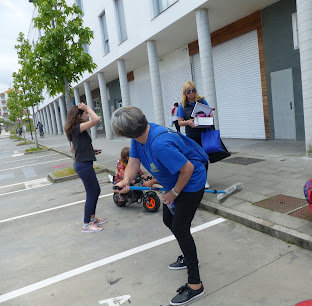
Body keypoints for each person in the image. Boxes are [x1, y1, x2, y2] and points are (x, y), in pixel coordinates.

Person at [111, 106, 207, 306]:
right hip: (177, 181)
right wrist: (126, 181)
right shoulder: (139, 138)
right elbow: (133, 164)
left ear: (128, 132)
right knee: (169, 219)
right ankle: (188, 256)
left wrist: (174, 193)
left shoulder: (159, 143)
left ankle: (195, 285)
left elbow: (187, 169)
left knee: (180, 228)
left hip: (191, 181)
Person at [64, 102, 106, 234]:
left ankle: (92, 218)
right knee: (92, 193)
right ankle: (86, 225)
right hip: (83, 165)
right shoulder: (78, 127)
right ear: (80, 116)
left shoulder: (76, 130)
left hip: (83, 163)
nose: (88, 115)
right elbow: (97, 120)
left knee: (96, 190)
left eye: (87, 112)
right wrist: (87, 107)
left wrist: (90, 150)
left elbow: (73, 149)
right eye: (86, 113)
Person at [177, 81, 210, 188]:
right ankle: (198, 178)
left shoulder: (202, 101)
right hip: (191, 135)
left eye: (193, 90)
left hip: (204, 133)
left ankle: (204, 179)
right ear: (185, 93)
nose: (191, 93)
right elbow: (180, 122)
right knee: (195, 157)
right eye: (188, 91)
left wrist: (207, 121)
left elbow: (210, 114)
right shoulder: (182, 105)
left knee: (204, 157)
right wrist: (189, 122)